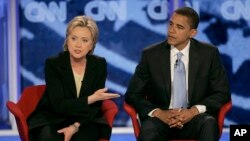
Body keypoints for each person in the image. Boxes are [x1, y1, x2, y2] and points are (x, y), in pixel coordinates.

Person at [125, 7, 231, 141]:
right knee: (148, 132)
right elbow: (133, 94)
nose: (171, 30)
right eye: (171, 24)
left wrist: (193, 111)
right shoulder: (151, 55)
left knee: (209, 124)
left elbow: (222, 92)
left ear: (192, 33)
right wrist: (158, 113)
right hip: (161, 119)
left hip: (194, 118)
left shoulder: (209, 54)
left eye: (179, 27)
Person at [27, 15, 120, 141]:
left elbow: (95, 107)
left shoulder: (99, 64)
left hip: (84, 119)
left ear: (92, 44)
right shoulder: (54, 64)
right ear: (67, 40)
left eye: (84, 40)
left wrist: (75, 126)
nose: (78, 45)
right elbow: (59, 105)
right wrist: (90, 99)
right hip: (54, 118)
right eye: (74, 38)